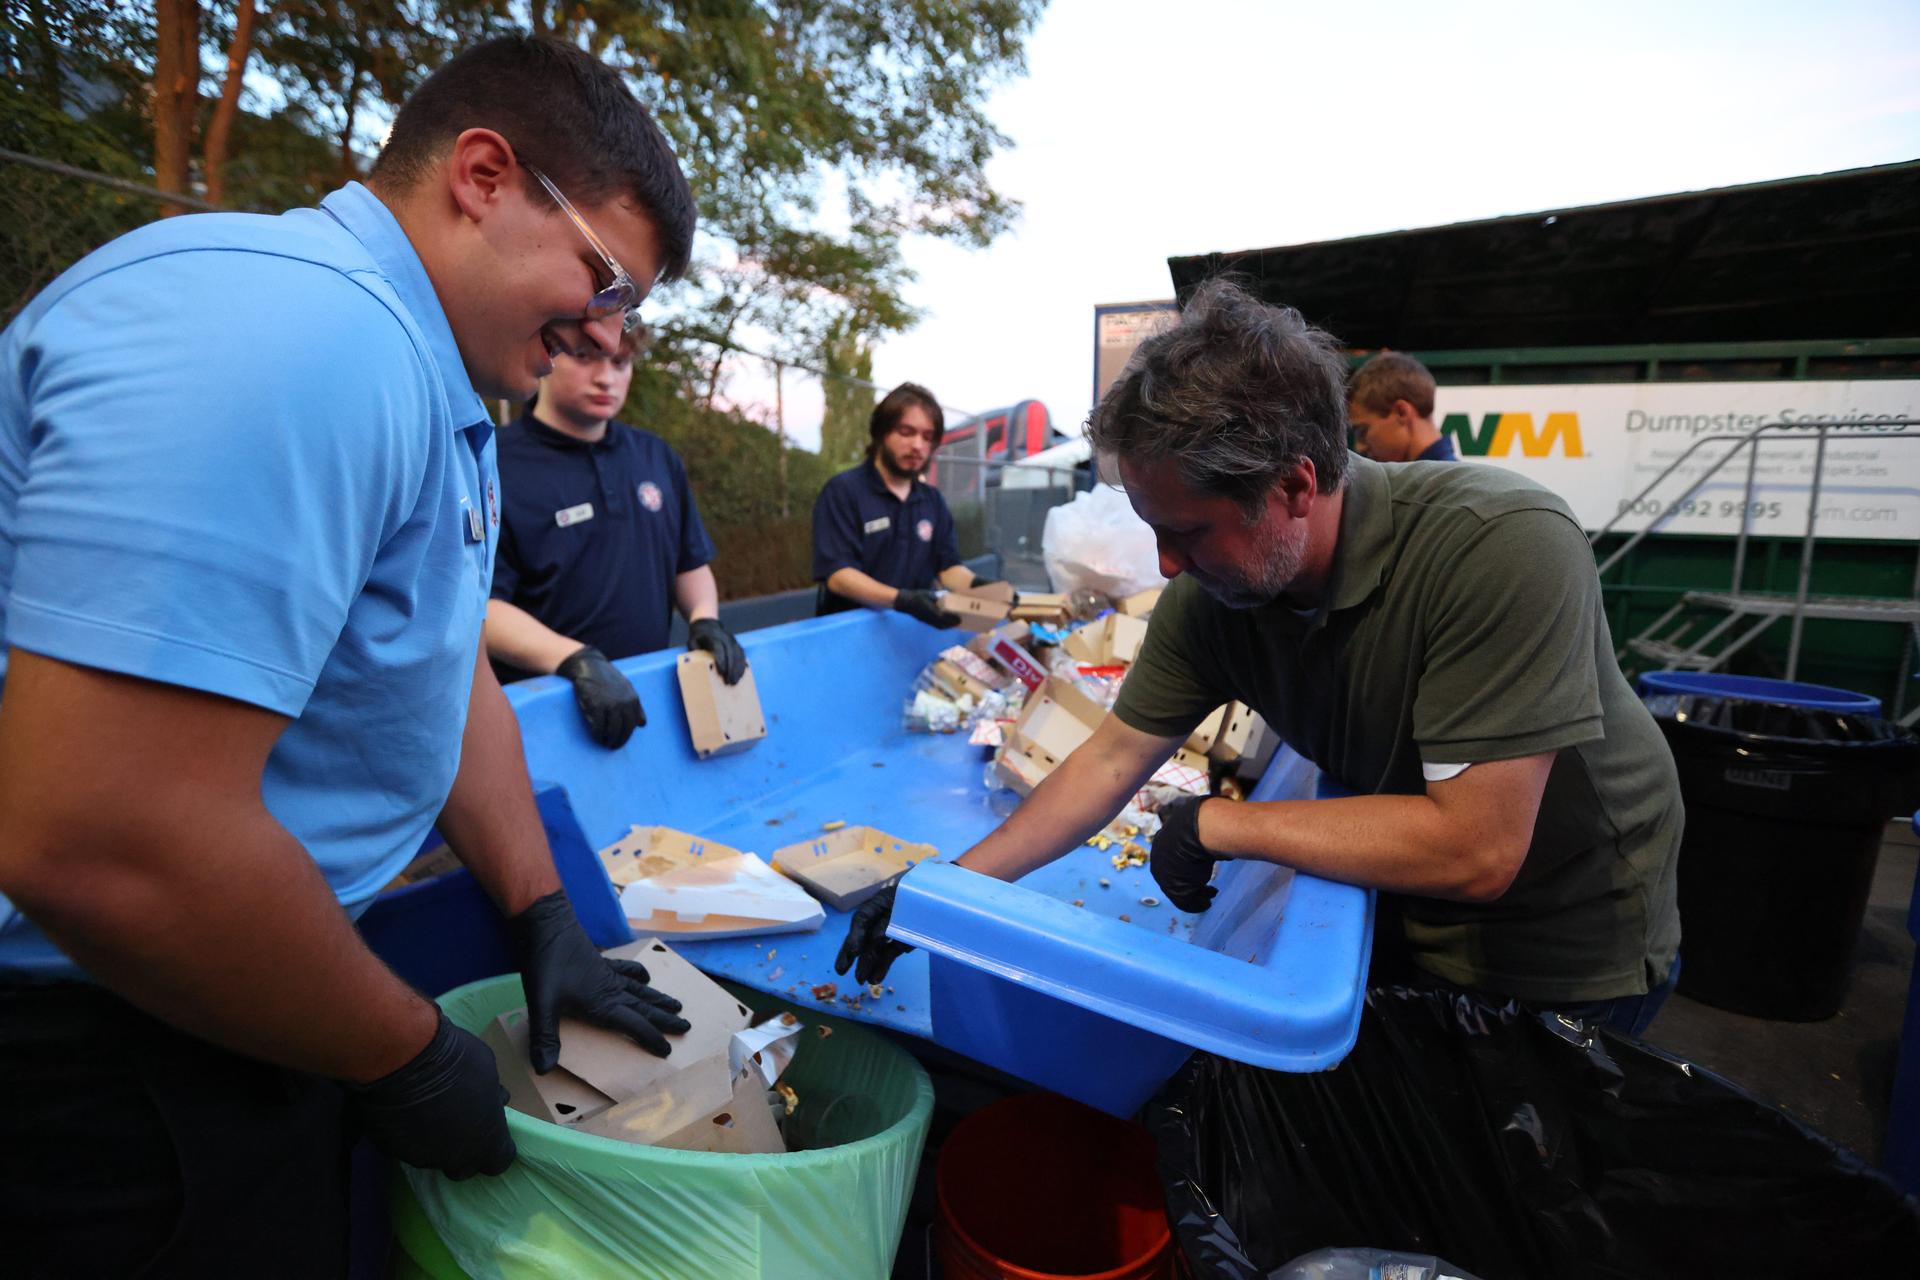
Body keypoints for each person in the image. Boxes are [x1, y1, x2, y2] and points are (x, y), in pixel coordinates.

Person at [0, 37, 702, 1274]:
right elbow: (103, 838)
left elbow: (439, 666)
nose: (604, 330)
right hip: (100, 1051)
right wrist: (403, 1047)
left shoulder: (432, 384)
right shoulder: (305, 342)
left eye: (628, 307)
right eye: (604, 278)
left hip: (247, 989)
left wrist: (544, 914)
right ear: (484, 175)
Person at [840, 280, 1683, 1038]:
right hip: (1401, 918)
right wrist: (944, 890)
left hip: (1565, 951)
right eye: (1153, 530)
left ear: (1294, 486)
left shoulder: (1500, 546)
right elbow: (1108, 760)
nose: (1166, 564)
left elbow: (1476, 848)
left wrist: (1221, 825)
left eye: (1190, 531)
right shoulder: (1213, 599)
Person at [486, 330, 747, 749]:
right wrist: (574, 661)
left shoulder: (656, 456)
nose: (606, 377)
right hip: (541, 713)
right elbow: (480, 608)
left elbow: (689, 561)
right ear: (548, 354)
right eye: (586, 357)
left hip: (647, 701)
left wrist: (704, 619)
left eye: (619, 363)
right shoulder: (493, 463)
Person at [811, 382, 1002, 628]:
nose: (918, 445)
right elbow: (838, 575)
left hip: (910, 630)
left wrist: (983, 588)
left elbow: (948, 569)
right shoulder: (844, 492)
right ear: (881, 433)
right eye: (906, 432)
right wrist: (902, 600)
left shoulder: (932, 501)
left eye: (927, 436)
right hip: (849, 634)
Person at [1346, 351, 1457, 461]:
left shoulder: (1449, 477)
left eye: (1362, 432)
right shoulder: (1456, 476)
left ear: (1401, 412)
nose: (1360, 447)